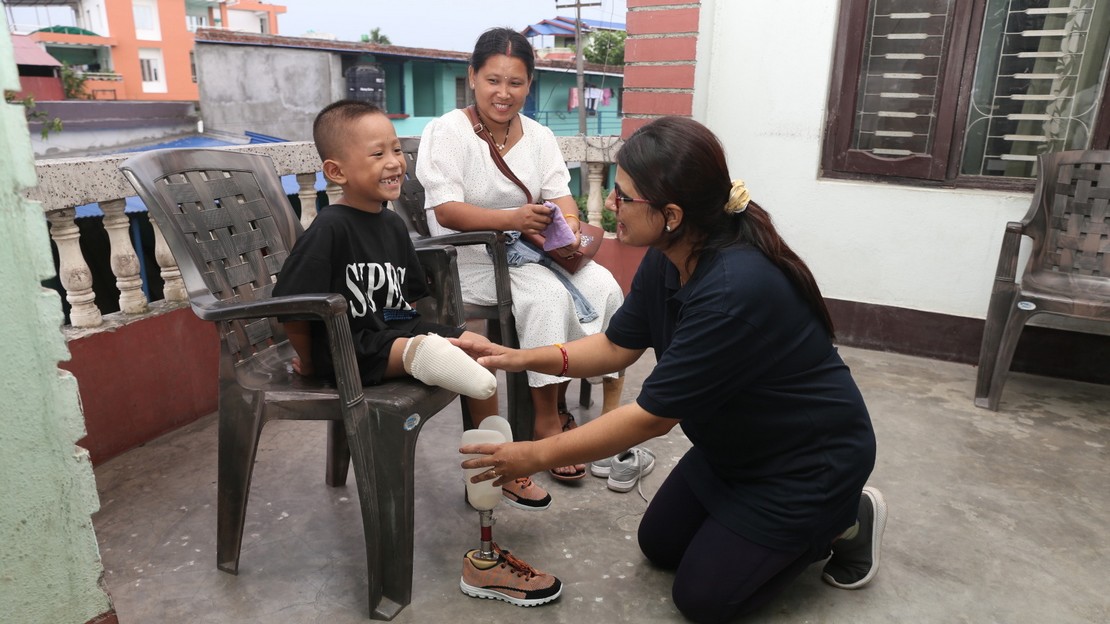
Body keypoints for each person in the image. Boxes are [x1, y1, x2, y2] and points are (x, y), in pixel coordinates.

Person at [457, 116, 886, 623]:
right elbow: (616, 346)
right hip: (734, 449)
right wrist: (516, 356)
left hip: (805, 464)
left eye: (623, 196)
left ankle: (844, 520)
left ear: (672, 214)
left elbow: (652, 419)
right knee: (660, 545)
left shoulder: (732, 292)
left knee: (703, 600)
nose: (610, 204)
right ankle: (755, 527)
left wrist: (532, 455)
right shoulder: (670, 256)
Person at [417, 27, 628, 487]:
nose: (503, 93)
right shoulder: (447, 131)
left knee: (605, 285)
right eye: (493, 80)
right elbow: (446, 210)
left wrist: (567, 224)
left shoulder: (539, 135)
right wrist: (511, 218)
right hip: (469, 261)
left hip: (532, 253)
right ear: (473, 77)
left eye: (515, 82)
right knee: (548, 299)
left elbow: (562, 195)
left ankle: (587, 405)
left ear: (529, 84)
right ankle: (546, 420)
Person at [272, 99, 506, 438]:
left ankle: (493, 457)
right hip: (348, 349)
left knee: (480, 349)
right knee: (429, 350)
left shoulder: (393, 225)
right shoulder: (329, 227)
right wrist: (310, 363)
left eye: (396, 150)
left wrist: (414, 327)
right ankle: (428, 353)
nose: (394, 162)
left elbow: (403, 303)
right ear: (337, 172)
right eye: (377, 154)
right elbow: (293, 308)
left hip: (393, 336)